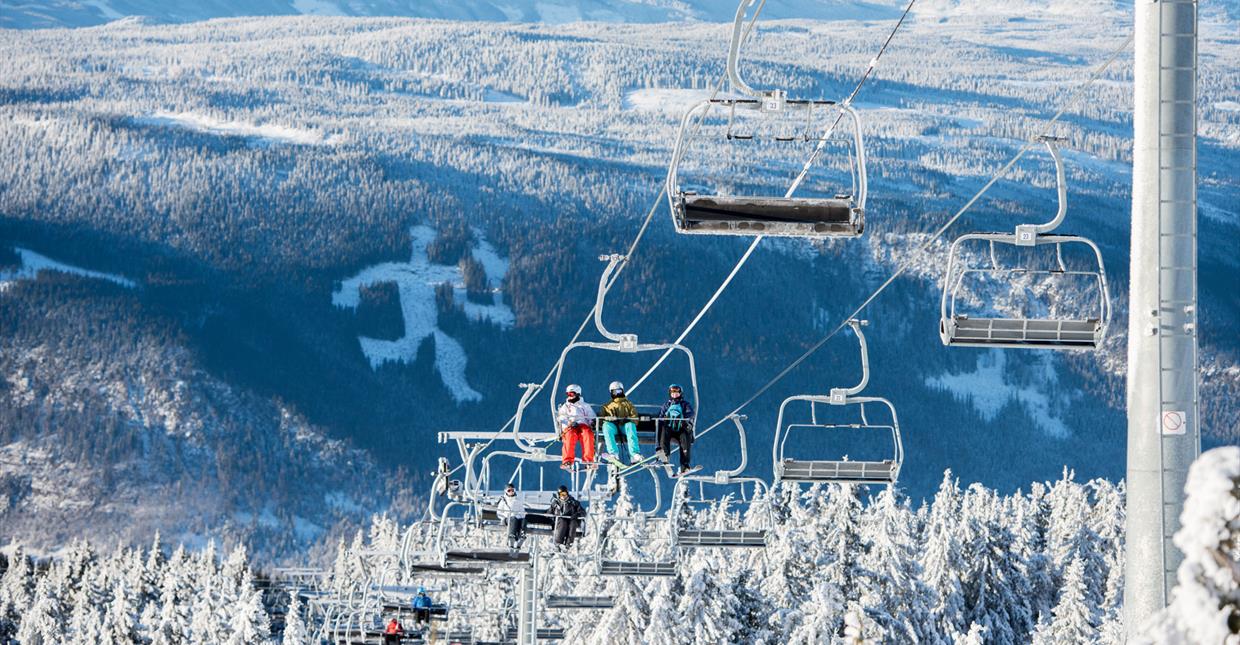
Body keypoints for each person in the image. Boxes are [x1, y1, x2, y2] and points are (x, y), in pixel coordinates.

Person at [599, 381, 642, 466]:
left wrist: (628, 420)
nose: (617, 394)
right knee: (606, 427)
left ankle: (634, 454)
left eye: (619, 391)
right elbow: (601, 421)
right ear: (611, 392)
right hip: (613, 427)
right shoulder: (607, 406)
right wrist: (607, 419)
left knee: (630, 426)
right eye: (615, 392)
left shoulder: (628, 404)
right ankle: (613, 453)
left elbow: (635, 418)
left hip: (625, 428)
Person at [656, 384, 695, 474]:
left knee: (684, 440)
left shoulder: (684, 404)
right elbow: (661, 416)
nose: (675, 394)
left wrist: (683, 419)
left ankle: (685, 465)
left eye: (677, 393)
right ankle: (665, 455)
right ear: (670, 393)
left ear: (680, 393)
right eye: (673, 392)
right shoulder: (667, 404)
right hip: (670, 428)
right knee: (664, 432)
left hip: (681, 429)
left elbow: (690, 414)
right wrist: (665, 419)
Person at [556, 384, 596, 469]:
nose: (569, 396)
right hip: (571, 426)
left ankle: (588, 460)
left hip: (582, 424)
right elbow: (561, 417)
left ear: (577, 394)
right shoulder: (565, 406)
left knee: (587, 434)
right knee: (569, 436)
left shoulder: (584, 405)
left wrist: (592, 422)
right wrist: (568, 423)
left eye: (571, 394)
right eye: (568, 394)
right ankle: (567, 461)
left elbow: (591, 416)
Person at [497, 483, 527, 551]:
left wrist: (519, 516)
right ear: (506, 491)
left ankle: (521, 536)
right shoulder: (503, 501)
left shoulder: (517, 500)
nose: (511, 492)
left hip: (517, 518)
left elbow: (522, 511)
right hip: (507, 519)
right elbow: (499, 512)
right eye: (509, 490)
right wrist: (506, 516)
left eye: (512, 490)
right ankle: (511, 537)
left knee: (524, 520)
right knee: (513, 519)